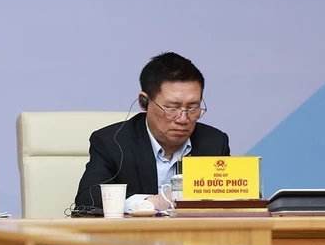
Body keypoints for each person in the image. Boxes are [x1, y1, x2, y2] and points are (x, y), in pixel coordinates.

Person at [74, 52, 229, 212]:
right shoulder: (112, 141)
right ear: (144, 102)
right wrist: (155, 202)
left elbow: (240, 198)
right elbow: (88, 198)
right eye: (172, 108)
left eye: (192, 107)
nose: (183, 119)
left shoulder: (214, 143)